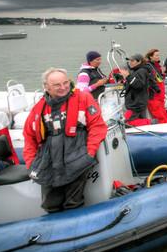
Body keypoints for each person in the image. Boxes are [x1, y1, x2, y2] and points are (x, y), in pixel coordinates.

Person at [23, 68, 107, 213]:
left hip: (77, 157)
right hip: (48, 162)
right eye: (57, 85)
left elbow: (98, 126)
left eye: (65, 83)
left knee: (73, 203)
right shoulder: (39, 108)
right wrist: (30, 163)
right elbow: (29, 136)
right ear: (46, 87)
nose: (63, 87)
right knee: (50, 205)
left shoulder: (83, 98)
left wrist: (89, 153)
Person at [123, 54, 157, 126]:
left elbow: (139, 85)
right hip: (138, 101)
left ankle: (151, 122)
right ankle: (147, 128)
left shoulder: (141, 71)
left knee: (127, 122)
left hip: (136, 103)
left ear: (139, 62)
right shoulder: (136, 71)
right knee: (140, 118)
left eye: (132, 61)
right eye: (129, 61)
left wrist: (128, 77)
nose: (130, 62)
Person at [145, 48, 167, 124]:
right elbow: (151, 81)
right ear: (150, 57)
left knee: (165, 116)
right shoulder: (148, 67)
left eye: (158, 55)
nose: (158, 57)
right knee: (160, 117)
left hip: (160, 97)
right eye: (156, 55)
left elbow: (159, 79)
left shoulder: (157, 66)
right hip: (154, 97)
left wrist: (163, 73)